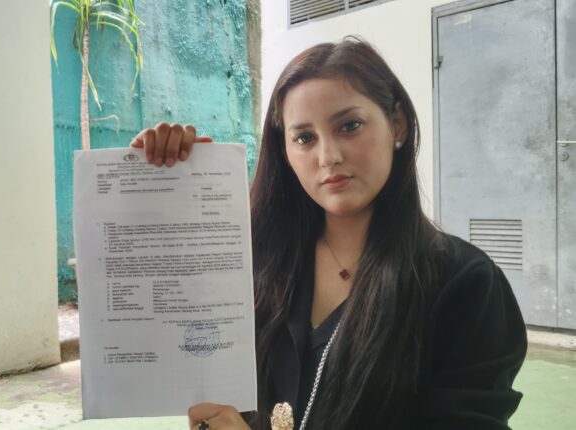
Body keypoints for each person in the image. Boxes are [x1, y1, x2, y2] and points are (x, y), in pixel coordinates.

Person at [130, 38, 527, 430]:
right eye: (305, 138)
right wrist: (164, 180)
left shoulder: (464, 284)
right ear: (285, 151)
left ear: (398, 125)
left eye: (349, 126)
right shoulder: (257, 258)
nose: (328, 157)